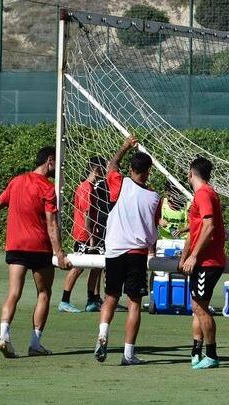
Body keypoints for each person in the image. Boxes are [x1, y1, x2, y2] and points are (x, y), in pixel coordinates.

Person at [0, 146, 71, 358]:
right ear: (49, 160)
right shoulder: (47, 188)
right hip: (39, 247)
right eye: (57, 163)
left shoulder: (16, 181)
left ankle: (4, 335)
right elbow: (52, 225)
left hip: (15, 246)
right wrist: (59, 253)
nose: (58, 168)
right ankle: (35, 343)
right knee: (44, 293)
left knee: (13, 293)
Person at [93, 136, 161, 365]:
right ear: (148, 171)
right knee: (134, 303)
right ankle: (128, 354)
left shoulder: (120, 183)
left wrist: (123, 146)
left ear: (131, 168)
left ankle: (103, 334)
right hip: (137, 253)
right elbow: (154, 231)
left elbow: (111, 167)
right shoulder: (154, 197)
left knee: (110, 296)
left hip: (114, 251)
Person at [180, 158, 226, 369]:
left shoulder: (204, 194)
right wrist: (184, 257)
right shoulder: (204, 194)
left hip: (208, 261)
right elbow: (196, 230)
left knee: (199, 308)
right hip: (203, 260)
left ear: (191, 173)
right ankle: (197, 352)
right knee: (198, 307)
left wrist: (194, 256)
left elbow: (208, 227)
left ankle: (212, 354)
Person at [59, 157, 107, 313]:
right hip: (84, 235)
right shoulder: (86, 188)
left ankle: (91, 300)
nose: (105, 171)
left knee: (97, 265)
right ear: (96, 169)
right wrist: (91, 236)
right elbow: (86, 214)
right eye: (103, 167)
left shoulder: (91, 187)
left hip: (90, 234)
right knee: (78, 267)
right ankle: (64, 301)